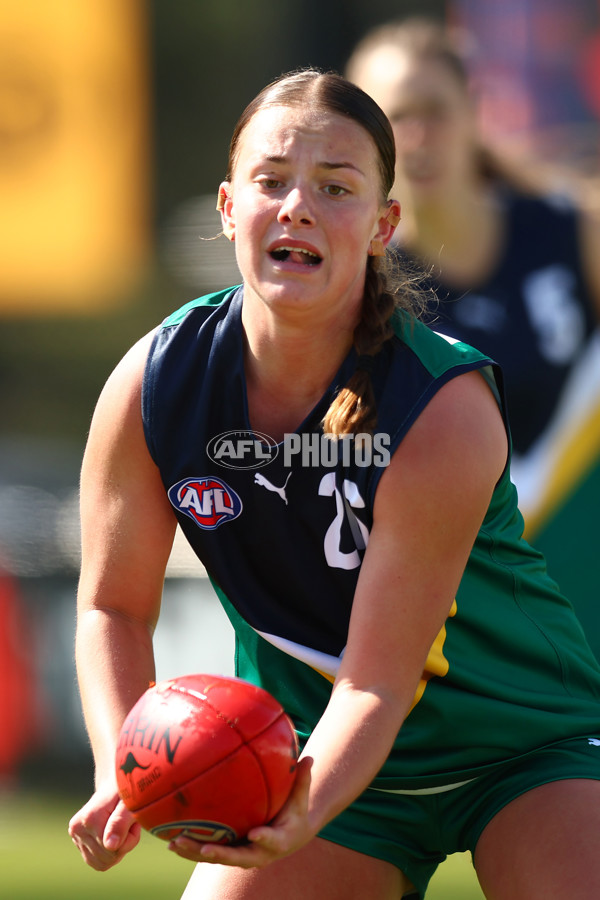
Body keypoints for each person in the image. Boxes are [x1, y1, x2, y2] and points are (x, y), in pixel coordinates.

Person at [68, 69, 600, 900]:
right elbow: (113, 608)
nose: (298, 206)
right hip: (312, 749)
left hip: (521, 742)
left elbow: (377, 680)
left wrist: (305, 806)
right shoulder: (154, 385)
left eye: (335, 187)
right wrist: (123, 769)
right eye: (271, 181)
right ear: (226, 207)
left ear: (385, 224)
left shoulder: (443, 407)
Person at [346, 17, 600, 662]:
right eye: (397, 117)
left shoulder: (574, 231)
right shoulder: (356, 283)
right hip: (462, 602)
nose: (419, 136)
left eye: (435, 111)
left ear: (475, 110)